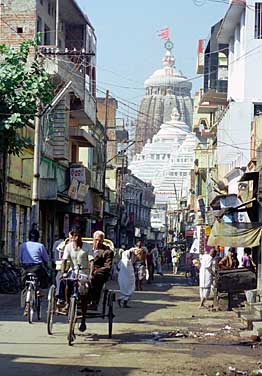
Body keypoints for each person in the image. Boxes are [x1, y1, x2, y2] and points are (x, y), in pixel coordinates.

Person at [60, 231, 92, 332]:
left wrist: (90, 275)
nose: (77, 238)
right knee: (64, 282)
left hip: (84, 272)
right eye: (75, 236)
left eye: (78, 235)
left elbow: (91, 261)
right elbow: (64, 260)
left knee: (83, 295)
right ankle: (66, 302)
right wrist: (62, 273)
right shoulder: (68, 247)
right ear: (72, 237)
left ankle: (83, 319)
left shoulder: (87, 246)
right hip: (73, 271)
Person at [86, 230, 114, 311]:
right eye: (96, 240)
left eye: (100, 240)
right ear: (93, 240)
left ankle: (94, 302)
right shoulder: (87, 248)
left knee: (96, 278)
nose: (97, 242)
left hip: (98, 272)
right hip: (85, 269)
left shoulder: (107, 251)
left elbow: (107, 266)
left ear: (103, 241)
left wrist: (95, 271)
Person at [19, 229, 50, 296]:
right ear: (38, 237)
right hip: (36, 268)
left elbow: (20, 258)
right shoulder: (40, 246)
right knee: (45, 276)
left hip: (25, 268)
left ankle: (24, 289)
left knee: (23, 279)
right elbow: (46, 259)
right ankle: (40, 290)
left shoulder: (23, 245)